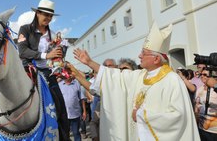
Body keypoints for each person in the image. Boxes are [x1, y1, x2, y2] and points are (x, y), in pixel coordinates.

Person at [67, 22, 200, 140]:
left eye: (144, 53)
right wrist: (90, 62)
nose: (139, 56)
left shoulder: (172, 80)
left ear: (156, 59)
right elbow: (115, 78)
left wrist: (142, 115)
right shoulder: (141, 75)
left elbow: (178, 117)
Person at [17, 0, 70, 140]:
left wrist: (61, 51)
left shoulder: (53, 34)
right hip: (28, 70)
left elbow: (57, 57)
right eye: (46, 14)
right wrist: (47, 54)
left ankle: (64, 137)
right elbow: (22, 52)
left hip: (48, 73)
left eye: (51, 15)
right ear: (38, 13)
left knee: (60, 107)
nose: (48, 18)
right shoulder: (25, 29)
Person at [59, 76, 86, 141]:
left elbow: (82, 99)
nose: (67, 76)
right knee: (66, 134)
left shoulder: (76, 84)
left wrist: (84, 111)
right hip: (64, 115)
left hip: (75, 114)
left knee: (76, 132)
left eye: (68, 73)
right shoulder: (59, 85)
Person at [195, 69, 217, 140]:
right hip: (202, 128)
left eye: (205, 75)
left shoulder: (215, 88)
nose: (202, 76)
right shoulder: (200, 89)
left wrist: (215, 86)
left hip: (214, 130)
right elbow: (197, 106)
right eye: (201, 74)